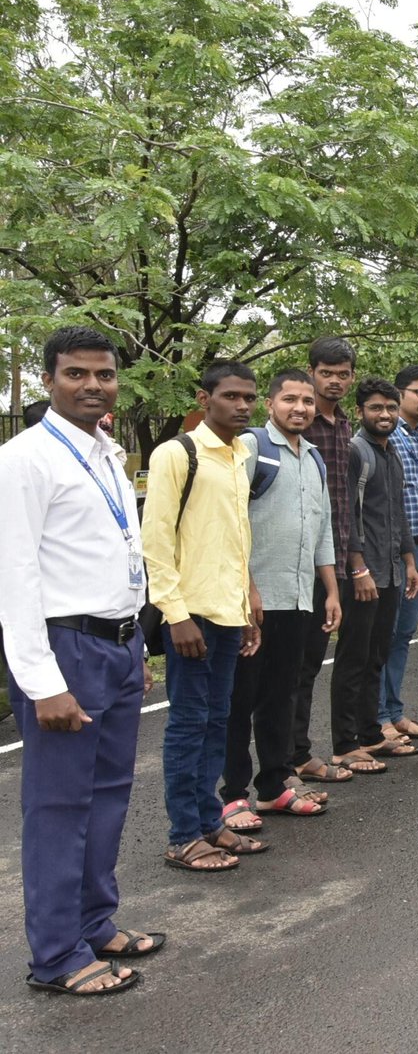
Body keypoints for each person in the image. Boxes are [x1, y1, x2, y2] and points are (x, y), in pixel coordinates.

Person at [0, 326, 156, 995]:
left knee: (109, 795)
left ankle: (95, 919)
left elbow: (121, 552)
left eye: (104, 374)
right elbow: (15, 572)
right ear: (46, 380)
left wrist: (137, 641)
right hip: (65, 649)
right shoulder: (24, 458)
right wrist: (42, 681)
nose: (92, 384)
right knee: (60, 805)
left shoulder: (104, 453)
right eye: (75, 374)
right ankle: (58, 954)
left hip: (117, 643)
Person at [144, 361, 264, 871]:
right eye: (231, 396)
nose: (241, 405)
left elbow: (235, 541)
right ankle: (183, 836)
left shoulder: (239, 455)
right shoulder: (178, 453)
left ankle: (211, 822)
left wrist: (248, 606)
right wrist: (175, 614)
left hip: (228, 612)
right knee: (189, 724)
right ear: (204, 398)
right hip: (191, 615)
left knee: (218, 720)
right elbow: (156, 540)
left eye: (248, 398)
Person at [220, 370, 339, 829]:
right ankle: (232, 795)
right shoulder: (251, 448)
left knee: (281, 696)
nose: (301, 408)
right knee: (240, 699)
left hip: (299, 598)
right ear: (271, 404)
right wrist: (247, 586)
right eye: (290, 399)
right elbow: (231, 521)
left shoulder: (314, 459)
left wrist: (330, 590)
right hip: (253, 602)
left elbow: (322, 529)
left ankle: (273, 786)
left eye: (307, 401)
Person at [328, 379, 418, 772]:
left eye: (390, 408)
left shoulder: (391, 453)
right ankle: (344, 744)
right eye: (375, 408)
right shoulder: (355, 452)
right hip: (362, 574)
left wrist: (410, 561)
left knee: (376, 656)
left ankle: (370, 735)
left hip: (392, 571)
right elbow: (347, 514)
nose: (384, 415)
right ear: (361, 410)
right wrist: (358, 567)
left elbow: (397, 512)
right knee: (352, 659)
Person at [289, 336, 357, 786]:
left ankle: (298, 752)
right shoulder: (297, 425)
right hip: (298, 564)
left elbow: (345, 499)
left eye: (342, 374)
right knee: (292, 667)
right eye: (326, 373)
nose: (334, 381)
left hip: (336, 558)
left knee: (312, 662)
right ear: (310, 371)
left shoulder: (343, 425)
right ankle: (287, 759)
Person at [378, 365, 418, 742]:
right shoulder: (389, 436)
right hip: (395, 553)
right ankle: (378, 719)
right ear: (400, 394)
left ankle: (394, 711)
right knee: (384, 637)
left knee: (403, 636)